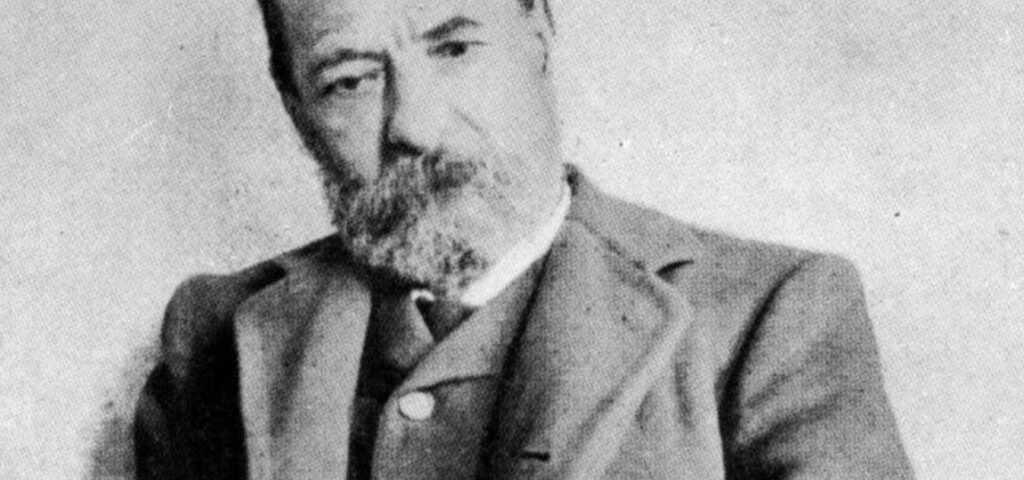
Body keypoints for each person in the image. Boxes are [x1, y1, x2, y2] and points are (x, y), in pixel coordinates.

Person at [133, 0, 915, 478]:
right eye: (350, 80)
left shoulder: (768, 317)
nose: (415, 126)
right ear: (296, 107)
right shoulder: (215, 337)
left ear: (537, 35)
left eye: (454, 47)